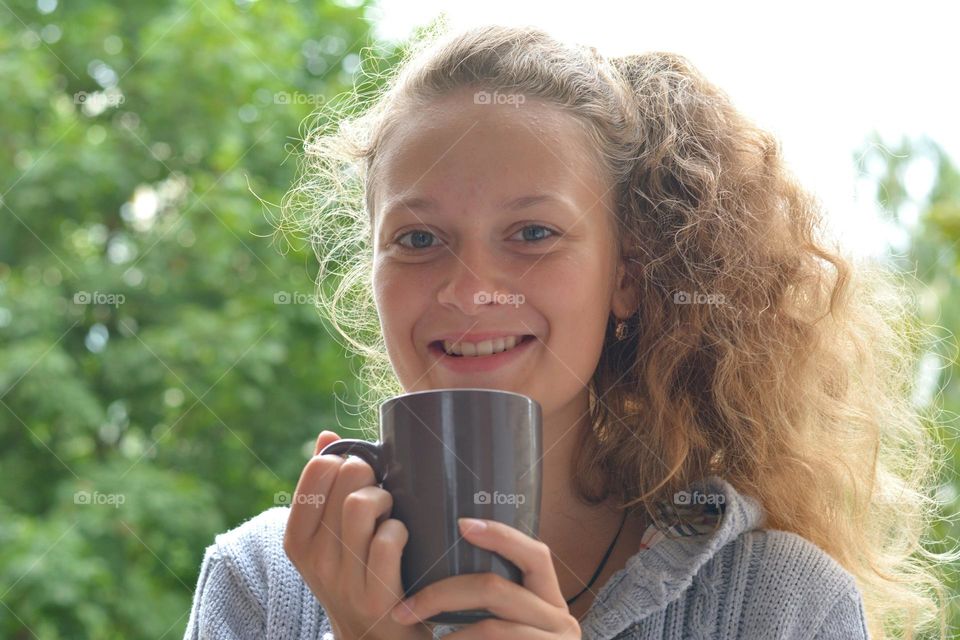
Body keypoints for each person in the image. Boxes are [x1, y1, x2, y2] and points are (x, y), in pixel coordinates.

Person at [184, 22, 954, 640]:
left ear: (625, 275)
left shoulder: (782, 606)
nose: (471, 290)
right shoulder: (262, 582)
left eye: (533, 233)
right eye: (418, 239)